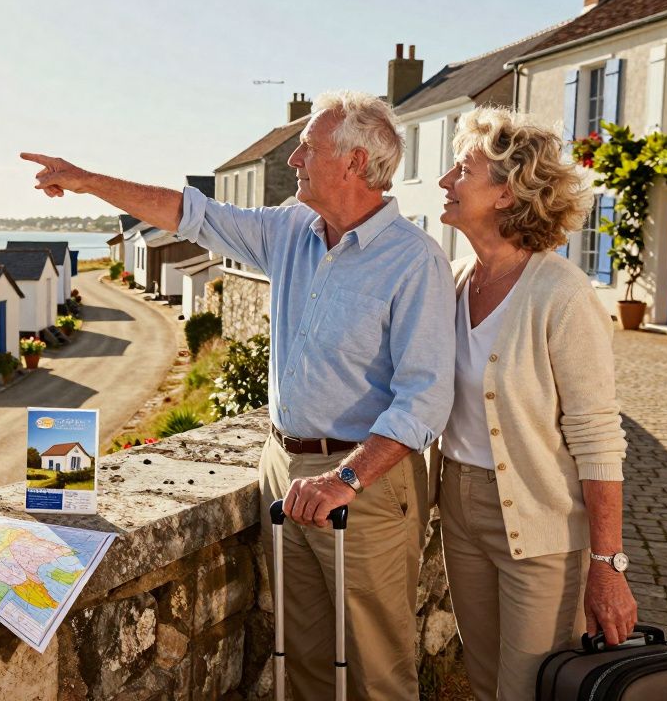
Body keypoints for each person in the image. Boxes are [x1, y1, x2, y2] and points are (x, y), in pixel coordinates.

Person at [22, 90, 454, 700]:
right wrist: (88, 181)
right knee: (302, 653)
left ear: (356, 162)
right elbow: (189, 213)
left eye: (308, 146)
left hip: (366, 481)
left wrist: (344, 480)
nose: (295, 158)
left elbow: (425, 401)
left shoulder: (415, 261)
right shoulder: (290, 231)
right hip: (281, 469)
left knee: (376, 666)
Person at [433, 106, 637, 700]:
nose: (446, 181)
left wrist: (608, 565)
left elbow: (598, 437)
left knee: (530, 688)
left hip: (541, 520)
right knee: (484, 679)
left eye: (461, 169)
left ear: (507, 191)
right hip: (460, 505)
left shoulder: (562, 294)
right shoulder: (453, 279)